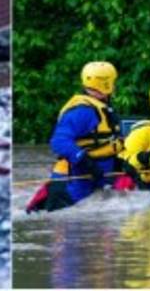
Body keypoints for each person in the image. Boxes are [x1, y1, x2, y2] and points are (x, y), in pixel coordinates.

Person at [29, 61, 122, 212]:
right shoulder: (82, 111)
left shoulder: (100, 107)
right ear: (105, 84)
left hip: (95, 177)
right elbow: (59, 142)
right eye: (113, 81)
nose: (115, 86)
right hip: (74, 180)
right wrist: (85, 161)